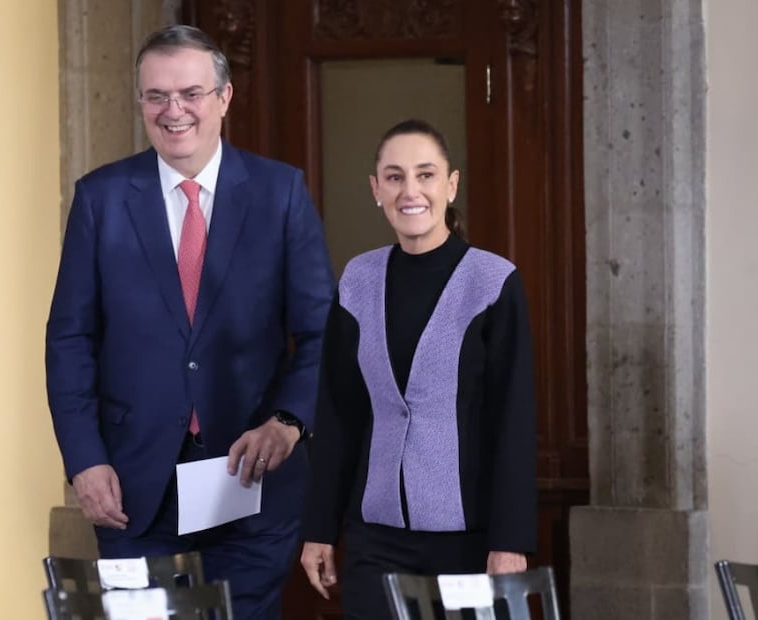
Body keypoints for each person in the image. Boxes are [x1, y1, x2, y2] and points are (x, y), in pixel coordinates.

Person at [45, 24, 334, 619]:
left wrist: (287, 423)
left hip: (251, 487)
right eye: (156, 95)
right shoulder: (101, 199)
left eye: (190, 93)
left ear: (224, 97)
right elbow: (70, 338)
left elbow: (321, 332)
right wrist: (84, 460)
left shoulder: (280, 193)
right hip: (131, 493)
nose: (173, 110)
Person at [299, 119, 537, 619]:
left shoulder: (494, 282)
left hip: (468, 540)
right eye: (395, 177)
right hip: (374, 540)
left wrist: (510, 541)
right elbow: (339, 414)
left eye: (426, 175)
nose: (410, 191)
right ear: (376, 189)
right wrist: (319, 528)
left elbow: (513, 420)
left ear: (451, 185)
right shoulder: (357, 280)